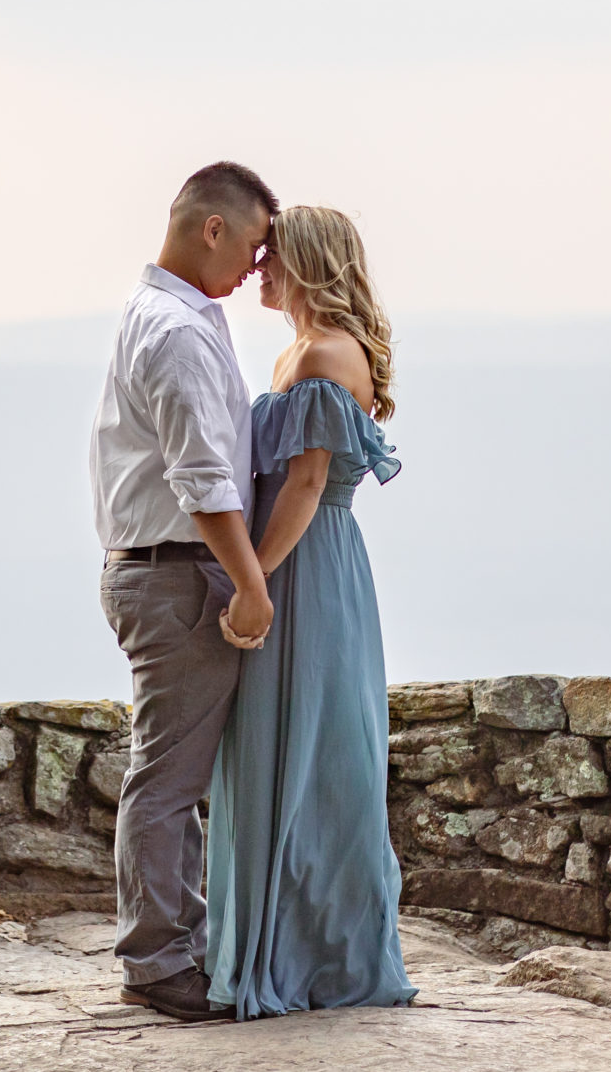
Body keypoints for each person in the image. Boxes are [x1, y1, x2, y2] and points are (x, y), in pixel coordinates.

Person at [204, 204, 414, 1019]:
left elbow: (302, 485)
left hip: (306, 567)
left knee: (311, 756)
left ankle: (318, 960)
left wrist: (255, 578)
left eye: (271, 257)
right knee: (285, 753)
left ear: (307, 262)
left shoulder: (326, 353)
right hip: (299, 563)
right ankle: (290, 949)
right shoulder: (303, 349)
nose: (258, 268)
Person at [90, 160, 280, 1023]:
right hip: (175, 573)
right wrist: (249, 584)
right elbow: (203, 478)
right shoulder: (174, 330)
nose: (254, 264)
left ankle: (175, 946)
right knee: (167, 776)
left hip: (155, 567)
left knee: (172, 771)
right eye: (250, 243)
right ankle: (160, 962)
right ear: (212, 228)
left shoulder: (168, 315)